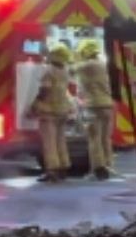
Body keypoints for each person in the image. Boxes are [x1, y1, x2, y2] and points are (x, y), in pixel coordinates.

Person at [32, 45, 74, 183]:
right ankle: (63, 167)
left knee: (49, 142)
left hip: (49, 110)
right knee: (60, 140)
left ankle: (52, 171)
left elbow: (45, 90)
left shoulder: (49, 70)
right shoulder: (65, 70)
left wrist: (35, 103)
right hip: (63, 110)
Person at [74, 40, 115, 180]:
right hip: (107, 105)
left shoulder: (87, 65)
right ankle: (108, 165)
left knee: (94, 139)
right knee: (105, 138)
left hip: (93, 107)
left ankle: (98, 169)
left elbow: (69, 70)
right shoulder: (104, 64)